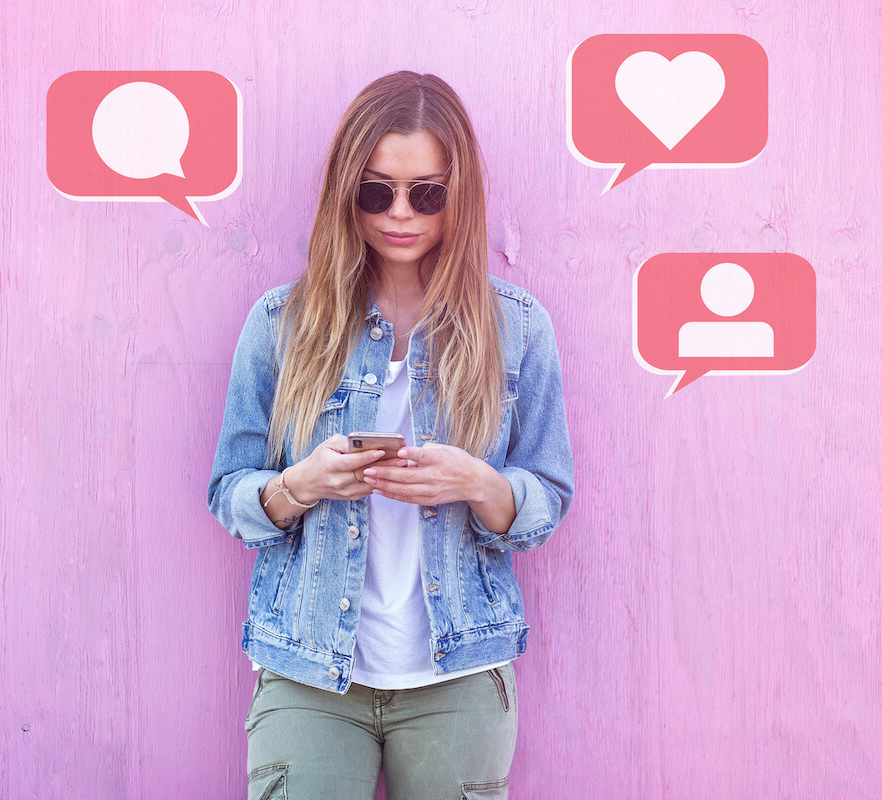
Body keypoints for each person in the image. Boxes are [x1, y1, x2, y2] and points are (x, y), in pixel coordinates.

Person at [207, 70, 574, 800]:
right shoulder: (282, 324)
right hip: (309, 669)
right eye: (377, 191)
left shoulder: (517, 327)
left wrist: (478, 483)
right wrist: (298, 485)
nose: (400, 213)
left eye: (426, 193)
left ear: (457, 194)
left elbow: (548, 498)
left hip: (458, 675)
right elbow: (230, 491)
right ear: (348, 191)